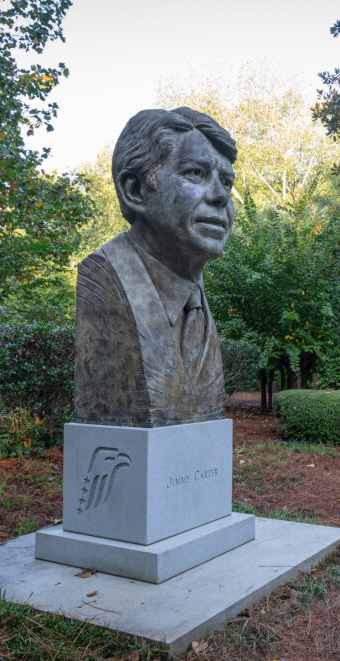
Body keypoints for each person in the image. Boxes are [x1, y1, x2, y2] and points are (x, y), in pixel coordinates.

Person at [74, 108, 237, 427]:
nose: (221, 197)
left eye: (227, 182)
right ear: (135, 190)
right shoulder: (107, 279)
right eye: (196, 173)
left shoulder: (196, 297)